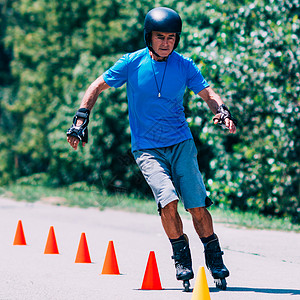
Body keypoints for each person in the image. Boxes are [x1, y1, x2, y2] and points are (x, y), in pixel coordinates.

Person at [67, 7, 236, 290]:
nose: (166, 42)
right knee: (167, 201)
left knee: (196, 206)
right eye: (160, 37)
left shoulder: (184, 65)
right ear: (149, 37)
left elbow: (208, 93)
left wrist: (222, 111)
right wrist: (81, 119)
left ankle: (214, 259)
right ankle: (182, 259)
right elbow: (96, 86)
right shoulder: (131, 63)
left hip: (181, 144)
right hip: (147, 149)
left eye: (171, 37)